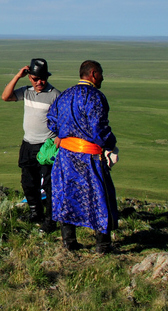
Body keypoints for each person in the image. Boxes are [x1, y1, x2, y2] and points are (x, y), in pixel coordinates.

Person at [47, 60, 119, 253]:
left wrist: (65, 134)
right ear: (93, 74)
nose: (103, 77)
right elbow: (99, 128)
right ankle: (102, 245)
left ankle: (68, 242)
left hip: (65, 157)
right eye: (101, 73)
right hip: (89, 158)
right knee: (99, 197)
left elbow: (52, 121)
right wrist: (111, 144)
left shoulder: (65, 95)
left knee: (66, 196)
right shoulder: (95, 97)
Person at [1, 58, 61, 232]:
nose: (39, 82)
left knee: (49, 185)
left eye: (42, 78)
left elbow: (65, 119)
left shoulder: (55, 95)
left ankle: (51, 220)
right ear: (29, 78)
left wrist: (60, 138)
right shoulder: (26, 92)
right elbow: (5, 96)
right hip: (28, 143)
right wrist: (17, 76)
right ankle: (36, 213)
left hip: (47, 146)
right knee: (28, 182)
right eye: (35, 79)